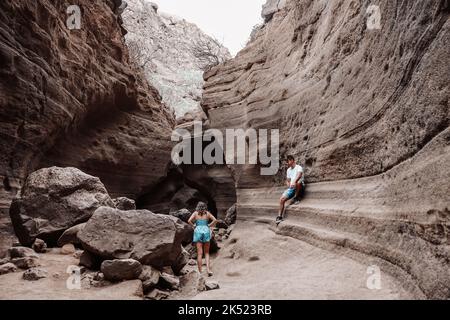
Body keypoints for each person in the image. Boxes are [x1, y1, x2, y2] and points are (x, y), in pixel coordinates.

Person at [188, 201, 217, 276]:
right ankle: (208, 270)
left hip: (198, 231)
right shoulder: (207, 213)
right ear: (205, 207)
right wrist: (209, 225)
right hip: (206, 231)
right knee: (206, 253)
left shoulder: (195, 213)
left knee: (199, 253)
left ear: (197, 207)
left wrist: (194, 226)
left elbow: (189, 221)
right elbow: (215, 220)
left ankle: (200, 272)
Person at [276, 155, 305, 223]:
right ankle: (279, 216)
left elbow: (299, 175)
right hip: (292, 188)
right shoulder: (288, 170)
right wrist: (289, 185)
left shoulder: (298, 167)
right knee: (281, 199)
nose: (287, 163)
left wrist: (294, 182)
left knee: (298, 182)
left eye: (287, 161)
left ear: (292, 160)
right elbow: (288, 180)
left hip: (299, 186)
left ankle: (296, 197)